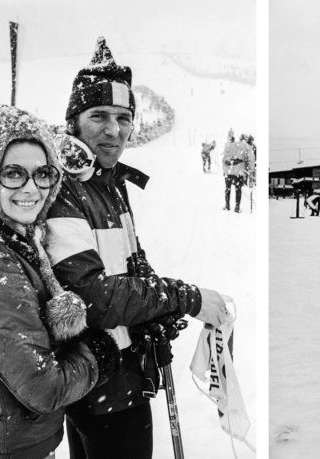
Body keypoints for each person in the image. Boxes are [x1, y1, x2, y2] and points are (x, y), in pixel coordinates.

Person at [44, 37, 230, 458]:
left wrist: (154, 312)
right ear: (73, 121)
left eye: (124, 118)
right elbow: (89, 296)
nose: (114, 130)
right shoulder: (65, 191)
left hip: (120, 376)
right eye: (99, 116)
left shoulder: (107, 182)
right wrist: (185, 298)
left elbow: (133, 263)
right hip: (98, 381)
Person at [0, 104, 120, 459]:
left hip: (16, 436)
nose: (31, 188)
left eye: (42, 173)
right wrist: (98, 355)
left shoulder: (15, 236)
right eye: (13, 173)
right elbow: (44, 386)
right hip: (14, 448)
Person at [222, 135, 254, 212]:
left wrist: (224, 170)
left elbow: (224, 158)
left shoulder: (230, 145)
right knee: (238, 189)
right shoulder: (246, 147)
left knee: (227, 188)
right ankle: (237, 207)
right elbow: (251, 160)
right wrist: (251, 171)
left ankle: (227, 206)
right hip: (238, 172)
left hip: (228, 171)